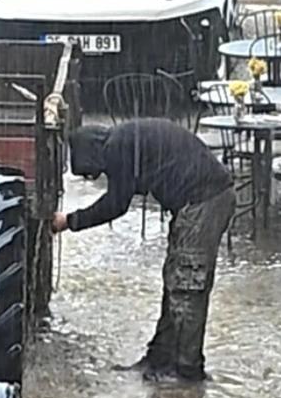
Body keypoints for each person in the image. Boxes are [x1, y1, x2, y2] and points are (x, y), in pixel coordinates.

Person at [51, 119, 236, 383]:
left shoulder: (117, 148)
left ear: (92, 154)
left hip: (205, 201)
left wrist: (68, 221)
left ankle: (187, 372)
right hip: (197, 200)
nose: (99, 176)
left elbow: (116, 204)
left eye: (95, 173)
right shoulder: (123, 139)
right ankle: (159, 358)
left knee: (187, 287)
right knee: (175, 280)